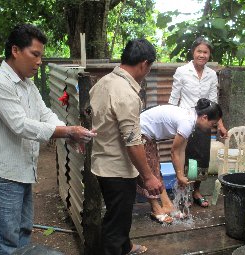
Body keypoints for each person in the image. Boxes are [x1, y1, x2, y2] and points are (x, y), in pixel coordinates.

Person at [0, 24, 96, 255]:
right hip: (3, 175)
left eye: (41, 55)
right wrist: (68, 132)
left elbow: (45, 114)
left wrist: (68, 132)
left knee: (22, 233)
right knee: (5, 242)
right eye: (35, 54)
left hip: (21, 170)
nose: (39, 61)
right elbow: (20, 125)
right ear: (15, 50)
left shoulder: (26, 84)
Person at [89, 39, 163, 255]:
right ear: (144, 64)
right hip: (118, 169)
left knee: (119, 214)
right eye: (149, 68)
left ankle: (126, 247)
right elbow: (133, 142)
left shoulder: (103, 83)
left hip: (103, 162)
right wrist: (148, 177)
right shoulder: (127, 95)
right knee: (116, 222)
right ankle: (116, 249)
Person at [138, 99, 223, 223]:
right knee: (148, 172)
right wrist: (179, 175)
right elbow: (174, 152)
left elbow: (181, 151)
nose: (212, 127)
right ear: (204, 117)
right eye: (213, 123)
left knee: (155, 169)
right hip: (140, 132)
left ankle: (167, 205)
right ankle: (156, 209)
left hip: (147, 134)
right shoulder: (187, 122)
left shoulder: (191, 119)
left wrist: (181, 175)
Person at [168, 37, 227, 208]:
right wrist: (172, 120)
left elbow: (214, 102)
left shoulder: (211, 74)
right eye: (199, 51)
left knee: (201, 159)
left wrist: (220, 125)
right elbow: (174, 97)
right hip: (185, 120)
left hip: (204, 122)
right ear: (193, 52)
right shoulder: (182, 71)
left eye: (205, 52)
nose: (202, 55)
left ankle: (196, 191)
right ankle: (182, 191)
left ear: (209, 55)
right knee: (184, 156)